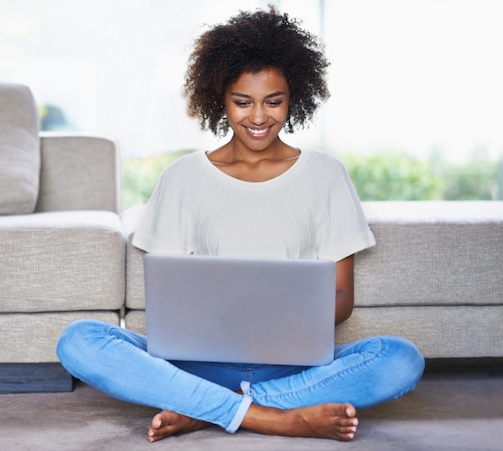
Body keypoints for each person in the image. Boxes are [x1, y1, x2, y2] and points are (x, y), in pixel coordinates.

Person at [57, 7, 425, 443]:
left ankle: (206, 407)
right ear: (219, 99)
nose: (258, 117)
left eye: (274, 101)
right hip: (200, 359)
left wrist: (282, 323)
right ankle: (273, 415)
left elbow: (342, 297)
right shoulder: (182, 177)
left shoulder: (326, 175)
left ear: (295, 98)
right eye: (242, 101)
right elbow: (169, 301)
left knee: (400, 359)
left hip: (295, 360)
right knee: (79, 340)